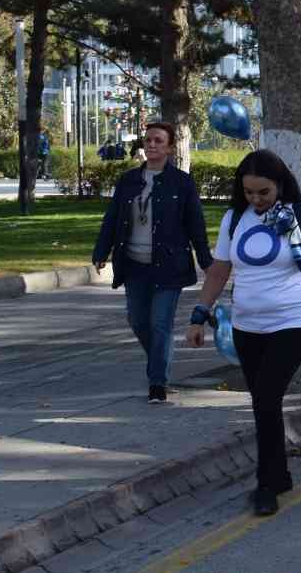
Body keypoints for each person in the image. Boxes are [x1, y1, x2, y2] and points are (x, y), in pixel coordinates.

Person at [187, 150, 301, 517]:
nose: (256, 200)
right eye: (250, 193)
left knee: (267, 398)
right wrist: (198, 314)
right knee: (262, 404)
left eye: (264, 193)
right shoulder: (234, 218)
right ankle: (280, 473)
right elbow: (220, 271)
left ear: (280, 186)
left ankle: (266, 485)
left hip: (293, 322)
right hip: (246, 326)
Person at [92, 121, 214, 405]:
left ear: (170, 148)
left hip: (169, 266)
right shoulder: (129, 181)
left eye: (159, 141)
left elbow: (195, 225)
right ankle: (160, 360)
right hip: (134, 264)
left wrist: (207, 261)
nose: (152, 145)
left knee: (160, 323)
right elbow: (111, 219)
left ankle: (157, 382)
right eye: (148, 140)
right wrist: (101, 250)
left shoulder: (181, 183)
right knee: (137, 320)